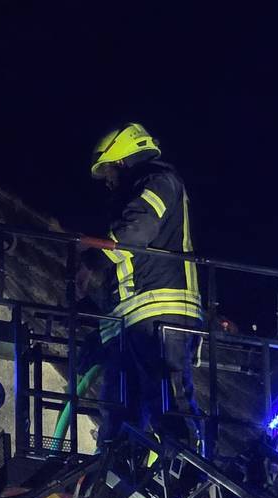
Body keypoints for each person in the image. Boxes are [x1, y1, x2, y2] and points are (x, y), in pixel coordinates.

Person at [86, 122, 204, 451]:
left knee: (168, 402)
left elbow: (135, 232)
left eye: (108, 171)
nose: (107, 181)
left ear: (122, 161)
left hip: (161, 314)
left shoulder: (159, 181)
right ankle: (117, 473)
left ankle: (190, 478)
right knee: (119, 411)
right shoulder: (133, 196)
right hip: (132, 319)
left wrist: (94, 257)